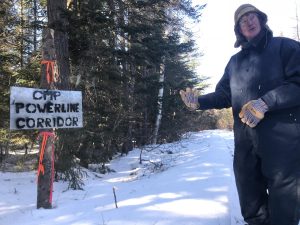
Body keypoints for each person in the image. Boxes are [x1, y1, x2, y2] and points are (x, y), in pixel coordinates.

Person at [180, 4, 300, 225]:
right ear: (239, 30)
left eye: (252, 17)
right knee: (251, 203)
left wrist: (266, 102)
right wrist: (198, 102)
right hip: (245, 143)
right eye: (242, 21)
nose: (248, 22)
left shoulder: (286, 48)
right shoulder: (234, 63)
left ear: (262, 20)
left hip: (283, 144)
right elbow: (224, 95)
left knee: (284, 207)